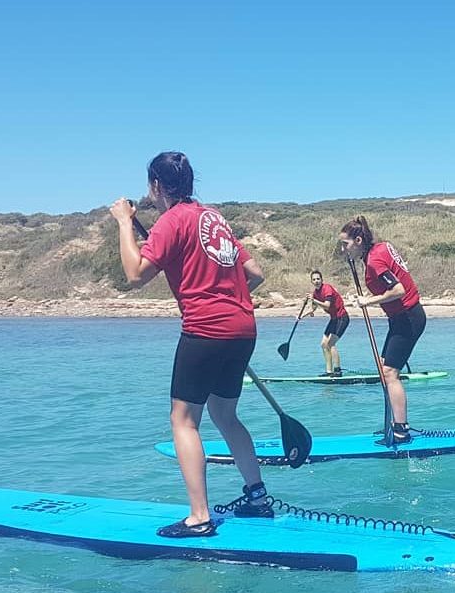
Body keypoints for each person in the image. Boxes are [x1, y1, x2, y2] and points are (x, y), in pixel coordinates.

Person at [110, 151, 273, 538]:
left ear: (154, 185)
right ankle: (257, 497)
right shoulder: (212, 217)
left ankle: (199, 516)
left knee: (183, 420)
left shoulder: (170, 222)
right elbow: (255, 274)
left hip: (204, 331)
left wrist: (122, 223)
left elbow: (135, 275)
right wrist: (223, 296)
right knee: (225, 415)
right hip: (242, 328)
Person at [339, 216, 426, 444]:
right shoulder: (380, 247)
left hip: (408, 318)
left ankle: (401, 430)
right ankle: (393, 421)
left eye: (345, 244)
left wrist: (368, 301)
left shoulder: (375, 260)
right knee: (383, 367)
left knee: (390, 373)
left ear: (358, 240)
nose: (342, 249)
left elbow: (397, 289)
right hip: (401, 318)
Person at [306, 269, 350, 376]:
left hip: (342, 318)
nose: (316, 281)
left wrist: (314, 300)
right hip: (334, 319)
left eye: (318, 279)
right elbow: (313, 308)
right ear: (311, 281)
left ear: (322, 279)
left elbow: (327, 305)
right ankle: (328, 372)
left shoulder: (327, 288)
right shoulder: (315, 293)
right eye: (314, 279)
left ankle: (337, 371)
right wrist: (305, 314)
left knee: (331, 343)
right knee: (323, 344)